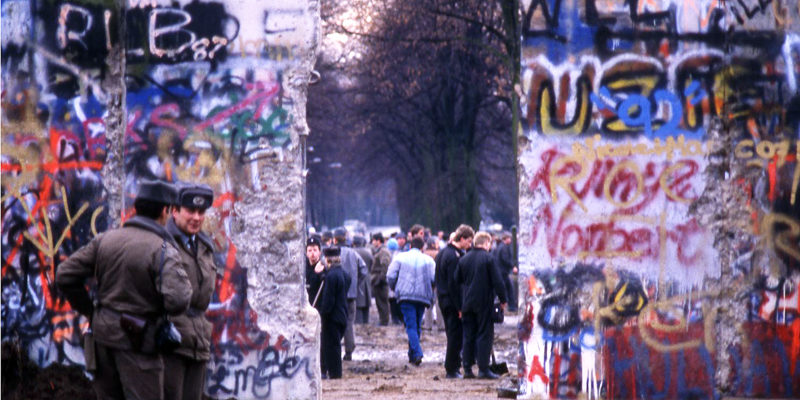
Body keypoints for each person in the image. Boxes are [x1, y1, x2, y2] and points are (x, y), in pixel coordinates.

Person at [56, 180, 192, 400]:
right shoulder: (163, 249)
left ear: (137, 207)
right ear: (165, 211)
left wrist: (91, 311)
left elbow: (64, 274)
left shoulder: (105, 240)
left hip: (102, 340)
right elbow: (179, 300)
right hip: (140, 346)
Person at [162, 183, 216, 400]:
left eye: (201, 212)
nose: (196, 217)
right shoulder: (163, 243)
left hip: (198, 342)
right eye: (190, 211)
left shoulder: (204, 246)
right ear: (174, 211)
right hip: (171, 343)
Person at [455, 231, 507, 380]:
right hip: (484, 302)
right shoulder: (488, 259)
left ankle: (467, 368)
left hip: (467, 302)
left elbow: (457, 278)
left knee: (468, 335)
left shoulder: (464, 259)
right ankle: (483, 369)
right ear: (485, 243)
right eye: (489, 243)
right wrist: (503, 299)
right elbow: (498, 282)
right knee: (484, 334)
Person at [386, 237, 435, 366]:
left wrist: (394, 287)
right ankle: (412, 354)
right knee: (417, 325)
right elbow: (434, 278)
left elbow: (390, 275)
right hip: (422, 296)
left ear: (409, 245)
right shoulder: (429, 261)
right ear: (422, 247)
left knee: (410, 326)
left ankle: (417, 352)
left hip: (406, 296)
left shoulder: (400, 258)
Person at [434, 224, 474, 379]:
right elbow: (454, 284)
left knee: (452, 334)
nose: (469, 245)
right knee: (455, 336)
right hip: (452, 302)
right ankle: (452, 368)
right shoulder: (454, 257)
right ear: (462, 238)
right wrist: (460, 307)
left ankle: (452, 366)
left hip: (443, 299)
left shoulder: (443, 252)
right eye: (469, 241)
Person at [316, 246, 351, 379]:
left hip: (332, 318)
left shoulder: (331, 276)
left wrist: (323, 314)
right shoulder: (343, 274)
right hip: (342, 314)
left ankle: (335, 374)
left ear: (327, 259)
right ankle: (335, 373)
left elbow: (328, 301)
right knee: (336, 345)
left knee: (331, 347)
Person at [333, 228, 367, 360]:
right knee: (349, 322)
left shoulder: (331, 253)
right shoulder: (353, 254)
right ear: (346, 238)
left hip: (335, 295)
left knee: (334, 322)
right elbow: (363, 270)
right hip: (351, 295)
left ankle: (334, 348)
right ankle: (349, 350)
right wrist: (356, 284)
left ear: (335, 239)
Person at [422, 237, 445, 331]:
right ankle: (441, 325)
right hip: (437, 281)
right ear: (433, 244)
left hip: (425, 282)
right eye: (437, 243)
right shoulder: (439, 254)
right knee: (438, 303)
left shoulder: (423, 254)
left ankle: (428, 325)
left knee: (428, 305)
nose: (438, 244)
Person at [370, 233, 392, 326]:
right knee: (379, 302)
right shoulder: (380, 250)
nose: (372, 242)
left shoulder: (383, 251)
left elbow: (385, 265)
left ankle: (384, 321)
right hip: (378, 279)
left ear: (378, 240)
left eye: (373, 240)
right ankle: (382, 320)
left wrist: (381, 278)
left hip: (381, 281)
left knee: (382, 302)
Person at [494, 231, 518, 312]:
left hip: (500, 272)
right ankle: (510, 307)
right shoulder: (504, 248)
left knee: (506, 289)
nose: (511, 240)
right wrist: (512, 266)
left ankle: (511, 307)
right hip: (503, 272)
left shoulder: (499, 246)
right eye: (509, 238)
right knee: (506, 289)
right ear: (506, 239)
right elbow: (505, 259)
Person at [352, 235, 373, 324]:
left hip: (357, 279)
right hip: (367, 278)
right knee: (366, 303)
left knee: (358, 304)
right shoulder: (368, 252)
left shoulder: (352, 252)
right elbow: (372, 264)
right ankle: (366, 322)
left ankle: (359, 323)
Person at [306, 237, 325, 304]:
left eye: (315, 250)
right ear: (306, 253)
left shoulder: (323, 267)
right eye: (310, 250)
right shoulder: (304, 268)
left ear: (319, 252)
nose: (312, 253)